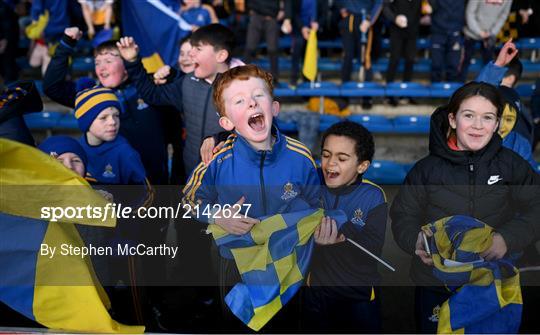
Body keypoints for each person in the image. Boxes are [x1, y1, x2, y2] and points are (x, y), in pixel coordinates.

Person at [390, 81, 540, 333]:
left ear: (497, 123)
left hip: (491, 282)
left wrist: (508, 238)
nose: (478, 126)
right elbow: (403, 215)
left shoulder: (512, 165)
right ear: (452, 119)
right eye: (468, 115)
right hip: (436, 282)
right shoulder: (426, 170)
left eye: (488, 117)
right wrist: (415, 240)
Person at [182, 64, 320, 331]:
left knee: (287, 325)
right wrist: (218, 216)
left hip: (288, 263)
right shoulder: (217, 160)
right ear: (226, 122)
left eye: (258, 95)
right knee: (236, 324)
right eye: (239, 100)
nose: (252, 104)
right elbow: (189, 199)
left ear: (274, 107)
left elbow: (318, 205)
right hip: (236, 263)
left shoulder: (301, 157)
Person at [42, 26, 169, 185]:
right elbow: (51, 87)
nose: (101, 68)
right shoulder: (91, 96)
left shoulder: (150, 86)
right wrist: (66, 44)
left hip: (158, 180)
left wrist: (170, 75)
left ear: (127, 62)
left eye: (108, 61)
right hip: (114, 184)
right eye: (97, 62)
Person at [301, 121, 387, 333]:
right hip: (316, 293)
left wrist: (342, 237)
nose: (330, 164)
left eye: (342, 158)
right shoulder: (312, 181)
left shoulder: (374, 196)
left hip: (358, 297)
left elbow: (373, 249)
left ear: (362, 166)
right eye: (326, 154)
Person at [116, 23, 235, 175]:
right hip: (190, 174)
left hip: (226, 179)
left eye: (197, 49)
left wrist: (219, 138)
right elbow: (152, 94)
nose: (191, 54)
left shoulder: (243, 87)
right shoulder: (187, 82)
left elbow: (260, 134)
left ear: (221, 55)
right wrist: (133, 62)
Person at [475, 39, 536, 168]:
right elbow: (477, 97)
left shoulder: (519, 143)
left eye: (508, 119)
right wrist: (497, 65)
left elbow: (530, 179)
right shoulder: (474, 137)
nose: (502, 125)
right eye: (496, 117)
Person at [74, 87, 146, 186]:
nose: (112, 122)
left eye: (116, 115)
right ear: (86, 122)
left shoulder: (126, 153)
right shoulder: (75, 150)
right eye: (103, 118)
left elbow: (145, 194)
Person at [460, 0, 511, 82]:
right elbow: (469, 13)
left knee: (489, 64)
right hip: (471, 33)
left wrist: (492, 32)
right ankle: (459, 87)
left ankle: (488, 87)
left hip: (490, 34)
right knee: (465, 62)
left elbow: (504, 15)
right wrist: (479, 32)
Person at [383, 0, 422, 93]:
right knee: (394, 59)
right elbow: (385, 8)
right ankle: (389, 92)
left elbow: (425, 9)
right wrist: (395, 18)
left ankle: (406, 92)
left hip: (413, 30)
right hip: (397, 30)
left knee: (410, 60)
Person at [243, 0, 282, 81]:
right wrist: (249, 9)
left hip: (272, 17)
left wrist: (284, 11)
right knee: (250, 48)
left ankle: (275, 78)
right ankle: (243, 74)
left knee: (273, 49)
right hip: (257, 15)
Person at [282, 0, 318, 86]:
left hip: (315, 30)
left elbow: (323, 13)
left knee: (310, 51)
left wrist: (317, 24)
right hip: (299, 29)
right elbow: (294, 13)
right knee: (298, 45)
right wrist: (302, 27)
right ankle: (294, 78)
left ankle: (309, 80)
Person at [427, 0, 465, 82]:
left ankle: (452, 93)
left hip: (455, 32)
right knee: (436, 65)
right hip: (438, 32)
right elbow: (430, 7)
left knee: (453, 65)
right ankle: (435, 93)